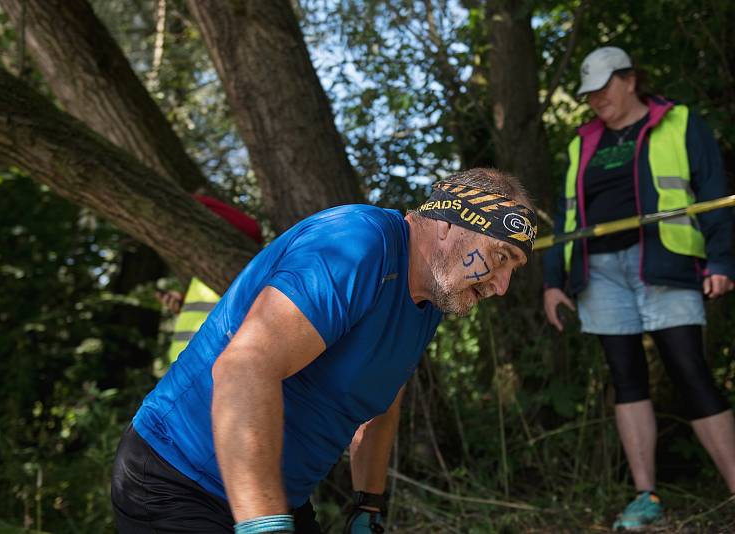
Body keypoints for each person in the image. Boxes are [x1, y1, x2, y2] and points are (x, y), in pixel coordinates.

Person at [111, 168, 537, 533]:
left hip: (275, 492)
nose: (501, 286)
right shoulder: (357, 245)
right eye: (500, 257)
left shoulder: (428, 302)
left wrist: (368, 506)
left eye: (513, 269)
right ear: (448, 225)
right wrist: (264, 525)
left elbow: (381, 402)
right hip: (176, 477)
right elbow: (244, 368)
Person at [542, 46, 735, 531]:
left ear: (630, 80)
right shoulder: (580, 142)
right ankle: (645, 496)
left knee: (691, 373)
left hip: (665, 263)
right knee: (625, 378)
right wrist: (552, 281)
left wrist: (721, 258)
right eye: (588, 94)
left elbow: (713, 193)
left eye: (604, 88)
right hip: (598, 273)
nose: (595, 101)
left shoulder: (680, 122)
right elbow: (566, 215)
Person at [157, 194, 264, 364]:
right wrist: (183, 305)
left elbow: (251, 229)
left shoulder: (241, 272)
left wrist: (198, 202)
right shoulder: (201, 276)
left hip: (216, 371)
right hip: (188, 374)